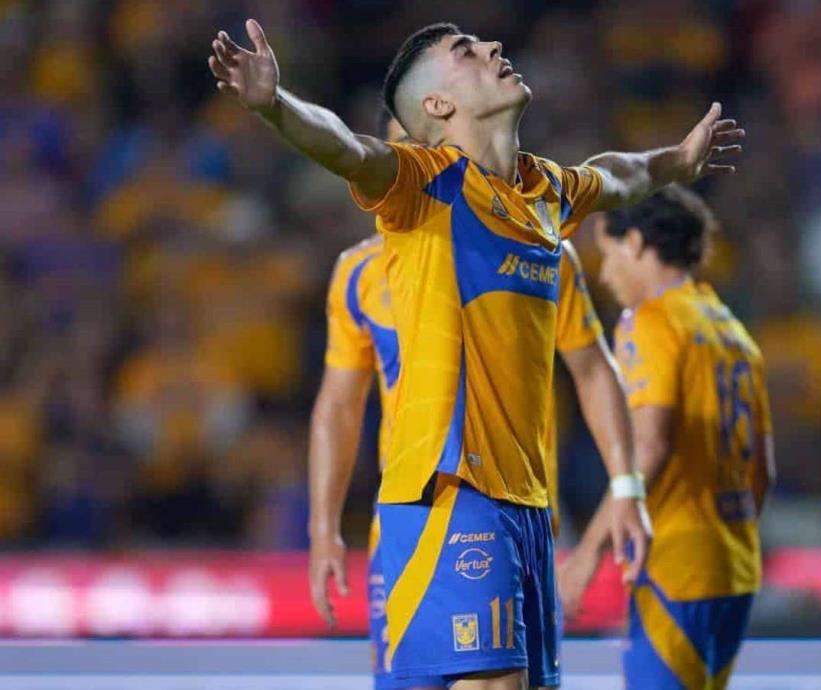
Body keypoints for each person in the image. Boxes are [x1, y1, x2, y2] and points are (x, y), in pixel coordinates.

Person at [208, 20, 743, 689]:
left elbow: (617, 175)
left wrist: (679, 163)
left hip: (526, 504)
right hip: (451, 492)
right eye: (465, 52)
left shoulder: (546, 194)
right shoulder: (423, 187)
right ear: (437, 106)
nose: (493, 48)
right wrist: (275, 106)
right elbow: (349, 149)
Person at [310, 118, 626, 690]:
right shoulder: (358, 273)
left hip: (516, 513)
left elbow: (592, 370)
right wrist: (323, 526)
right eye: (406, 148)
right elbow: (339, 405)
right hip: (418, 515)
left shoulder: (539, 240)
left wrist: (626, 485)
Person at [559, 186, 774, 690]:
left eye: (609, 254)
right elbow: (763, 471)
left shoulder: (651, 322)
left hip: (676, 564)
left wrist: (587, 554)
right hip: (735, 566)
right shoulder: (733, 332)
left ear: (634, 242)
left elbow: (649, 443)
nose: (605, 275)